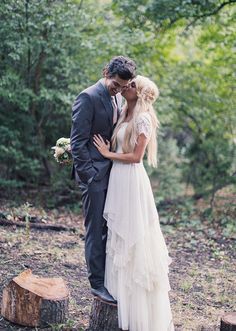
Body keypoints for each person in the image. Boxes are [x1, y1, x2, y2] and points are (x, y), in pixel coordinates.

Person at [93, 75, 175, 331]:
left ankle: (138, 311)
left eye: (131, 85)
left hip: (131, 180)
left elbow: (137, 157)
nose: (125, 86)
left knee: (134, 237)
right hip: (118, 179)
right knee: (118, 237)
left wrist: (108, 154)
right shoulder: (123, 112)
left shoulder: (143, 118)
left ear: (137, 92)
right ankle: (118, 296)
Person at [70, 56, 136, 304]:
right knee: (95, 230)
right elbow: (77, 143)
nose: (118, 90)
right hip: (94, 177)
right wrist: (90, 176)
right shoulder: (87, 97)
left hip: (113, 174)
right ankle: (96, 284)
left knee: (110, 228)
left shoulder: (118, 98)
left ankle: (109, 278)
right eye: (116, 84)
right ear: (106, 72)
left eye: (122, 86)